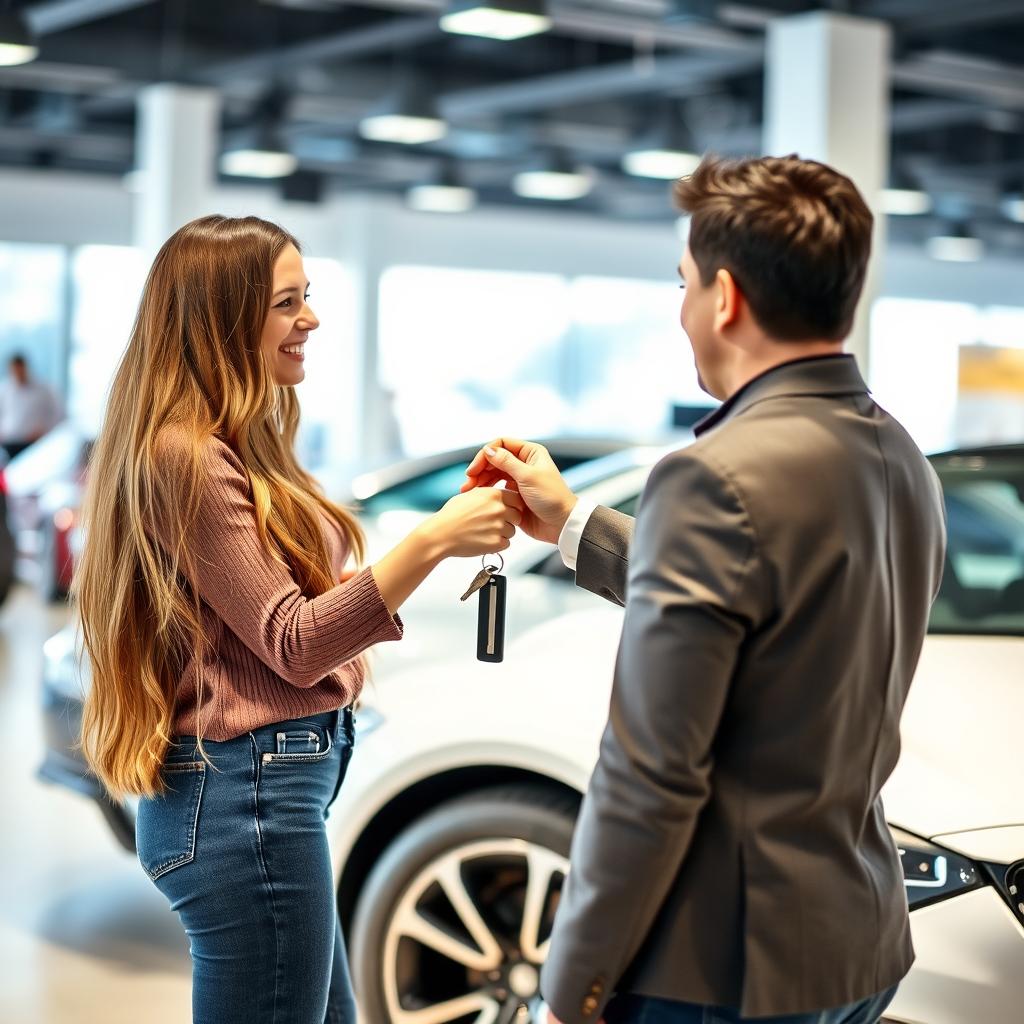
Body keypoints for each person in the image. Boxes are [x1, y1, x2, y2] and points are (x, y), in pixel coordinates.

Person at [463, 155, 947, 1024]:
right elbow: (775, 612)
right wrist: (575, 521)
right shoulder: (902, 457)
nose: (682, 310)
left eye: (682, 284)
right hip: (858, 945)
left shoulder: (709, 478)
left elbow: (649, 780)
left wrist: (566, 990)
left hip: (723, 968)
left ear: (724, 298)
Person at [71, 215, 523, 1024]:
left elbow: (290, 612)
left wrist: (441, 527)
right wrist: (432, 542)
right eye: (287, 302)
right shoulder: (190, 457)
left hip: (258, 800)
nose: (310, 318)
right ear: (225, 319)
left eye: (306, 296)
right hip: (245, 804)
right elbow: (296, 641)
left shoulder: (232, 445)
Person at [0, 353, 62, 460]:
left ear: (25, 368)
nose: (18, 373)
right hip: (8, 443)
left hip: (33, 443)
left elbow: (58, 414)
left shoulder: (42, 390)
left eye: (20, 369)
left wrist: (45, 431)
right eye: (14, 370)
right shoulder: (4, 390)